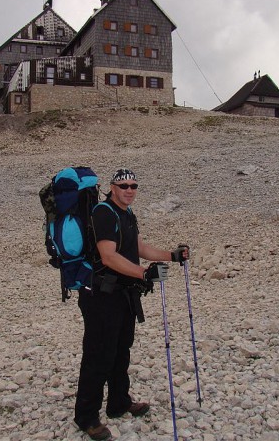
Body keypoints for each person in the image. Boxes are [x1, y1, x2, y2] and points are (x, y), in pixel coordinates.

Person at [74, 168, 189, 440]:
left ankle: (118, 403)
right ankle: (86, 417)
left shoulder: (126, 213)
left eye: (134, 185)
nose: (129, 190)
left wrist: (171, 255)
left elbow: (138, 248)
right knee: (98, 355)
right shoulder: (104, 212)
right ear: (112, 188)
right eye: (123, 185)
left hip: (124, 294)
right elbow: (109, 256)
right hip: (101, 296)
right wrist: (144, 273)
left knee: (121, 350)